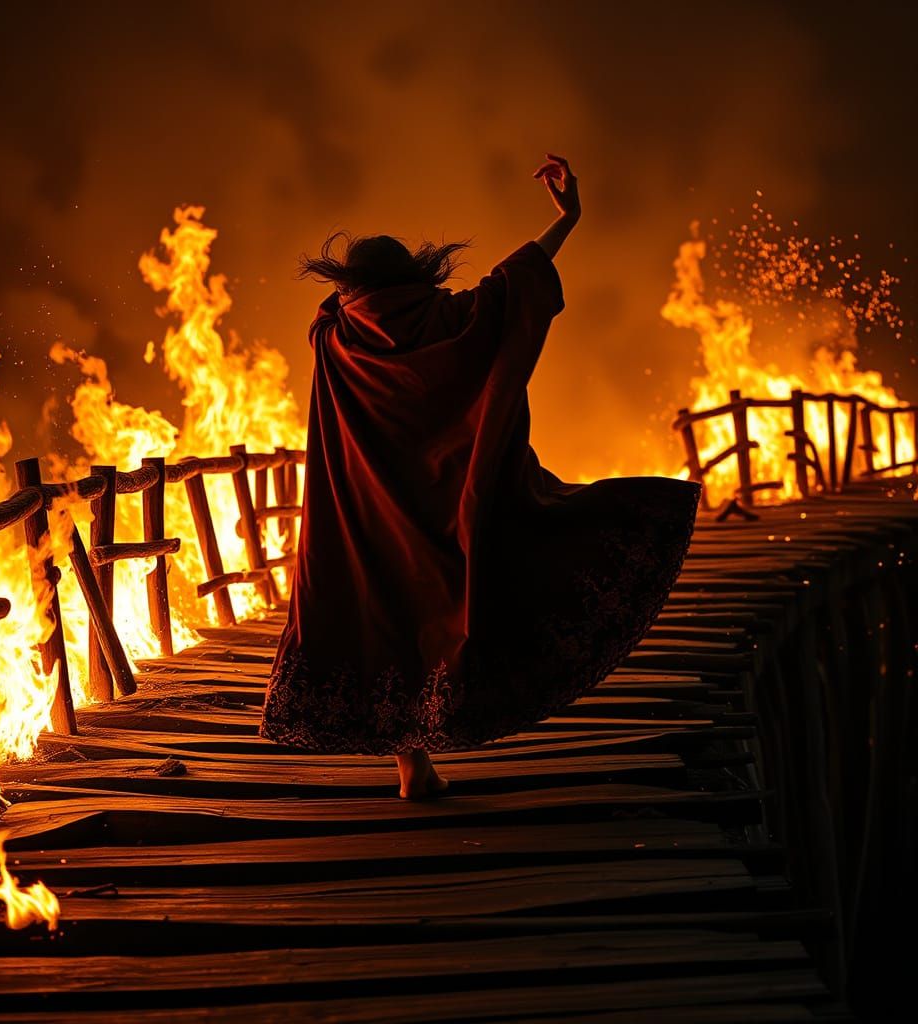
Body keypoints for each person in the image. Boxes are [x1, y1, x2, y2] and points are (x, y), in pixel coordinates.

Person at [259, 154, 701, 799]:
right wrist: (567, 217)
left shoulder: (333, 337)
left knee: (383, 612)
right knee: (446, 607)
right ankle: (436, 744)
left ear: (350, 288)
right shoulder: (453, 318)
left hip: (368, 508)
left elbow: (339, 305)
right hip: (448, 500)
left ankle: (413, 767)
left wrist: (351, 290)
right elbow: (516, 283)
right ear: (416, 277)